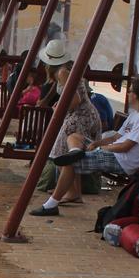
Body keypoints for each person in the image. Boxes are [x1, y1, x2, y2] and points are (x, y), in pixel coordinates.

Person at [30, 76, 139, 217]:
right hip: (116, 154)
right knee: (74, 136)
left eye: (130, 91)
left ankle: (51, 205)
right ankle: (75, 152)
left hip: (123, 161)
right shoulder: (137, 114)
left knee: (69, 163)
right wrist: (96, 143)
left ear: (136, 95)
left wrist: (102, 149)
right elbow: (115, 137)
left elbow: (125, 146)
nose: (128, 93)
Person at [37, 40, 102, 203]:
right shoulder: (65, 70)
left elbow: (75, 99)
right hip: (84, 115)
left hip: (79, 116)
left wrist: (60, 110)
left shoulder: (62, 73)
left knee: (60, 152)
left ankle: (71, 191)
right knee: (70, 154)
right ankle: (73, 191)